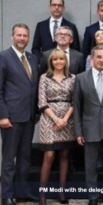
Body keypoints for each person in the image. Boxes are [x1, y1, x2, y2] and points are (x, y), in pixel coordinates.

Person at [73, 45, 103, 205]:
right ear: (92, 58)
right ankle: (93, 197)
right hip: (89, 128)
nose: (101, 60)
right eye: (98, 57)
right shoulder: (80, 78)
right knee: (91, 166)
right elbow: (77, 106)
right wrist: (78, 131)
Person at [0, 23, 39, 205]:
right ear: (12, 37)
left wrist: (36, 112)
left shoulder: (32, 58)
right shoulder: (4, 57)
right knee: (9, 159)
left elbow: (33, 87)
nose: (22, 38)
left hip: (29, 117)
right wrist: (2, 115)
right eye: (19, 35)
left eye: (25, 35)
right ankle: (7, 195)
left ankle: (22, 192)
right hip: (11, 118)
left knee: (25, 158)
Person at [38, 49, 75, 205]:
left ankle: (61, 192)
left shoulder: (72, 78)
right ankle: (42, 195)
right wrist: (55, 119)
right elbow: (41, 102)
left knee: (64, 155)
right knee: (49, 156)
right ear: (51, 62)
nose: (59, 62)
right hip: (49, 118)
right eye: (55, 59)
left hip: (67, 119)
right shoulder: (44, 78)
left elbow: (75, 101)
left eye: (61, 59)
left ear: (65, 61)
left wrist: (64, 119)